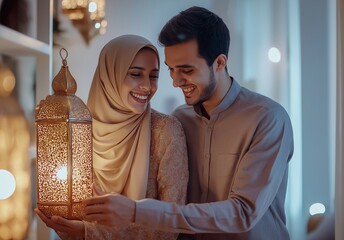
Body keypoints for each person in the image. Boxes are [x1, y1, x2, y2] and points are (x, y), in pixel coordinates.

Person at [82, 6, 294, 240]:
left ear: (220, 63)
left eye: (186, 70)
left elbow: (242, 213)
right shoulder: (179, 120)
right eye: (171, 70)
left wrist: (135, 211)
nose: (175, 82)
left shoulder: (267, 119)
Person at [35, 34, 189, 240]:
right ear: (109, 75)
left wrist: (90, 232)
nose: (147, 86)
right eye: (136, 74)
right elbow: (72, 220)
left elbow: (171, 224)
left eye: (153, 76)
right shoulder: (77, 129)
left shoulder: (166, 131)